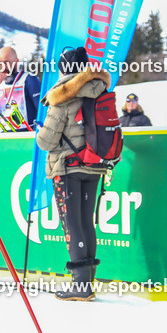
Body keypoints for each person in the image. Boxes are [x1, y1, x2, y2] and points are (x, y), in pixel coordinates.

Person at [35, 47, 110, 302]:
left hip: (67, 167)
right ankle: (87, 282)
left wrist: (39, 131)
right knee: (86, 222)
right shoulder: (99, 90)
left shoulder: (62, 96)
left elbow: (46, 141)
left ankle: (80, 286)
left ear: (65, 69)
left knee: (72, 224)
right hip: (93, 164)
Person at [0, 46, 41, 131]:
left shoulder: (28, 79)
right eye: (0, 63)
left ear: (17, 61)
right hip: (6, 137)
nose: (4, 67)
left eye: (7, 62)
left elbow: (42, 109)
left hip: (27, 136)